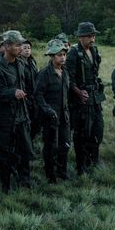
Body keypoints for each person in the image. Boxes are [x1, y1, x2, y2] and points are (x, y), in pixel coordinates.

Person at [0, 30, 33, 192]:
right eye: (17, 44)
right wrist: (12, 93)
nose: (21, 47)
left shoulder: (21, 63)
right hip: (4, 119)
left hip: (21, 115)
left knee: (24, 150)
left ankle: (25, 181)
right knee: (4, 153)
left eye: (22, 44)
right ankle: (6, 185)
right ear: (6, 46)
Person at [66, 22, 105, 175]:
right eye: (89, 36)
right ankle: (80, 165)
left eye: (93, 35)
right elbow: (69, 77)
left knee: (98, 130)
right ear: (81, 37)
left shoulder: (94, 51)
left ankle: (93, 159)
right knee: (82, 133)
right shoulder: (74, 53)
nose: (92, 39)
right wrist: (77, 91)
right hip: (81, 100)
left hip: (95, 98)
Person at [34, 39, 71, 183]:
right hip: (50, 117)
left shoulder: (65, 72)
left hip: (64, 116)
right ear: (51, 56)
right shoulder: (44, 74)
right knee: (50, 146)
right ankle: (50, 175)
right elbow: (38, 95)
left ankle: (62, 171)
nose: (62, 57)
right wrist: (47, 110)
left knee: (65, 144)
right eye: (58, 55)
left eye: (64, 54)